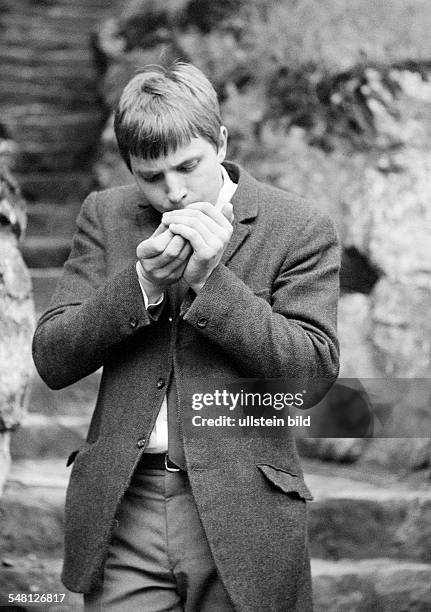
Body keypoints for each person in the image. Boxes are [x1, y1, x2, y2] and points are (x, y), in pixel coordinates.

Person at [32, 61, 340, 611]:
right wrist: (141, 283)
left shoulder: (297, 226)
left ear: (220, 142)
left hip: (246, 506)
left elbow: (312, 375)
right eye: (150, 177)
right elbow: (53, 359)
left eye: (188, 166)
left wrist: (211, 283)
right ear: (129, 167)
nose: (173, 192)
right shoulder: (104, 216)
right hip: (124, 505)